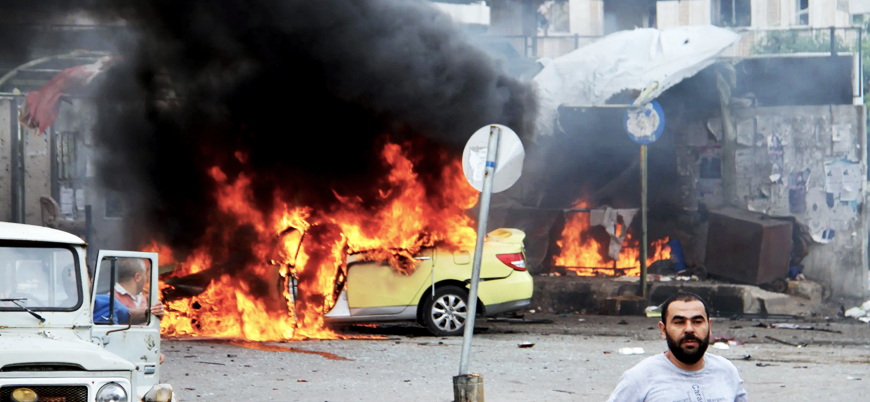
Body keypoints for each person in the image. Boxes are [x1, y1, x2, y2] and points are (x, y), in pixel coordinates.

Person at [606, 292, 748, 402]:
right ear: (663, 330)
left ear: (709, 327)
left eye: (697, 321)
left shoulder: (726, 372)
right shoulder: (639, 378)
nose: (689, 329)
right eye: (679, 322)